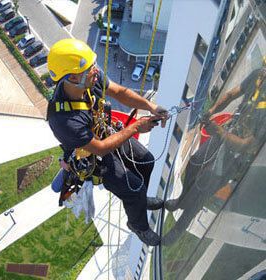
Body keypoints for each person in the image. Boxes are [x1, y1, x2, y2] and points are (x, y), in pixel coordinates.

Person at [47, 39, 169, 246]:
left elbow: (120, 92)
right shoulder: (64, 119)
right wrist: (137, 127)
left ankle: (138, 201)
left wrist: (150, 106)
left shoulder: (89, 80)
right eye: (89, 69)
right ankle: (138, 225)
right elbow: (101, 149)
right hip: (91, 155)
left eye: (93, 65)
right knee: (134, 188)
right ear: (72, 77)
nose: (96, 70)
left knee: (146, 161)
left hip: (103, 131)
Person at [163, 64, 266, 245]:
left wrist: (218, 131)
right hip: (227, 132)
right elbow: (231, 94)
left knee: (203, 190)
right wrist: (212, 111)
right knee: (195, 161)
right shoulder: (258, 76)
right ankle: (181, 200)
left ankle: (177, 231)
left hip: (237, 157)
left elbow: (247, 146)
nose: (262, 74)